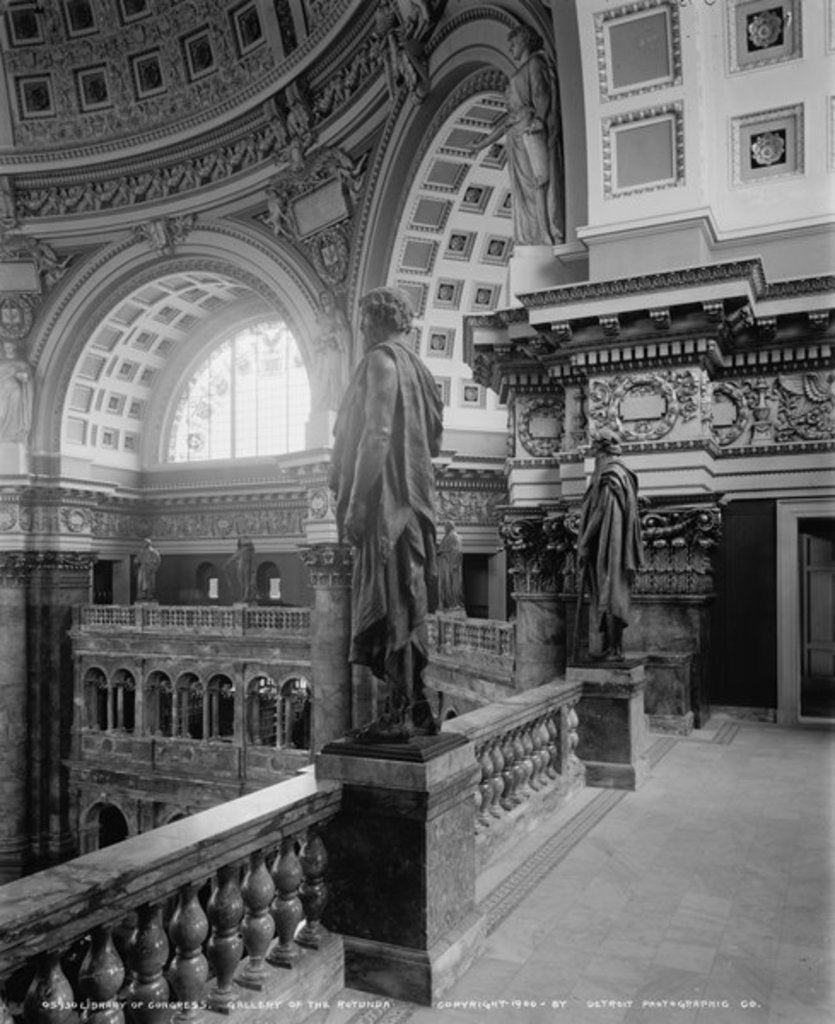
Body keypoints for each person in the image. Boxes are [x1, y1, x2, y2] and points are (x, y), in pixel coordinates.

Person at [329, 286, 444, 738]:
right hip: (415, 501)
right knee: (408, 599)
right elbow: (432, 441)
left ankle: (399, 714)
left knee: (392, 603)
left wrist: (357, 503)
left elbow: (375, 434)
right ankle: (414, 706)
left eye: (362, 323)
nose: (359, 331)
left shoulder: (382, 360)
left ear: (376, 320)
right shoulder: (421, 369)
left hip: (388, 503)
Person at [470, 24, 564, 246]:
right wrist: (482, 143)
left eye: (514, 42)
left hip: (529, 134)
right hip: (518, 136)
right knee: (525, 193)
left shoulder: (535, 63)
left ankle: (543, 233)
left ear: (526, 40)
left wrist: (540, 119)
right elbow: (507, 121)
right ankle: (532, 235)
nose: (510, 47)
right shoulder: (524, 70)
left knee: (536, 185)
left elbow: (541, 92)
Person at [576, 430, 644, 660]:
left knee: (611, 591)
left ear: (600, 449)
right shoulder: (618, 473)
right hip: (609, 542)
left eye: (594, 448)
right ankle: (611, 648)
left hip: (610, 543)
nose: (592, 452)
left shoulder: (610, 473)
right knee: (610, 592)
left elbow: (601, 510)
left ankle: (615, 649)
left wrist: (584, 542)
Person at [313, 291, 351, 410]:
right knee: (322, 377)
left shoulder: (337, 314)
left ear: (331, 299)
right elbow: (316, 336)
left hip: (334, 351)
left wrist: (333, 336)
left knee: (333, 375)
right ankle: (324, 402)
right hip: (323, 353)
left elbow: (344, 331)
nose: (324, 300)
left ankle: (334, 402)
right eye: (322, 298)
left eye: (326, 297)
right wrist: (320, 342)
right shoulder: (320, 317)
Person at [0, 340, 32, 443]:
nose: (8, 347)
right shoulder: (1, 362)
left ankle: (10, 434)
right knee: (2, 413)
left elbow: (27, 378)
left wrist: (21, 376)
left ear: (15, 346)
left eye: (10, 345)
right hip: (2, 392)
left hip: (14, 392)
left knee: (11, 415)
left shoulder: (21, 363)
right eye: (6, 345)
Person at [438, 521, 465, 611]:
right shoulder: (447, 537)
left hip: (451, 566)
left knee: (452, 584)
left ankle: (453, 603)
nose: (444, 529)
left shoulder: (454, 537)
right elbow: (442, 549)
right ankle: (447, 603)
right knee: (445, 584)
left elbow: (457, 552)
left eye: (446, 527)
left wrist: (454, 563)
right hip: (445, 565)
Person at [225, 536, 256, 603]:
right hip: (241, 567)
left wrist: (227, 563)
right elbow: (234, 557)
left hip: (246, 568)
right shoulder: (241, 550)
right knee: (242, 583)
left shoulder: (247, 550)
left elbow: (235, 557)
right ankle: (243, 597)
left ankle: (246, 597)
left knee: (246, 583)